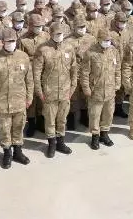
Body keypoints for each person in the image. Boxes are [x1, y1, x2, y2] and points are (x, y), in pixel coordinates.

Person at [0, 28, 33, 169]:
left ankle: (18, 152)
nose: (11, 43)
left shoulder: (23, 57)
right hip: (2, 103)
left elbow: (29, 80)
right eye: (8, 41)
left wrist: (29, 98)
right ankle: (7, 153)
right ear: (2, 42)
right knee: (5, 130)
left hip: (20, 101)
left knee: (18, 127)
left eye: (13, 41)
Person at [33, 22, 77, 158]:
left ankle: (61, 142)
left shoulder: (69, 48)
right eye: (57, 34)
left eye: (61, 34)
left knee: (62, 119)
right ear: (51, 34)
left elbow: (74, 69)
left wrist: (72, 88)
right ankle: (51, 143)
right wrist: (40, 92)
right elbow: (36, 73)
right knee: (50, 120)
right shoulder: (42, 49)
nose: (60, 36)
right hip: (49, 92)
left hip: (65, 92)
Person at [80, 28, 121, 150]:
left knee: (108, 114)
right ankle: (95, 136)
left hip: (110, 90)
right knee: (95, 115)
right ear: (99, 40)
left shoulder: (114, 51)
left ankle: (105, 134)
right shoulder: (90, 53)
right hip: (95, 90)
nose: (107, 42)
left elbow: (117, 70)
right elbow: (84, 73)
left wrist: (117, 84)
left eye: (109, 40)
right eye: (105, 40)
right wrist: (86, 88)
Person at [18, 13, 50, 136]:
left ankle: (41, 122)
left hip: (43, 71)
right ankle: (31, 124)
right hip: (29, 71)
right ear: (30, 26)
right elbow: (20, 57)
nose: (39, 28)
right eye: (36, 26)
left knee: (42, 97)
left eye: (40, 26)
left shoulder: (46, 36)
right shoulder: (23, 39)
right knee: (30, 98)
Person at [67, 15, 97, 129]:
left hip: (87, 73)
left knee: (86, 96)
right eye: (79, 27)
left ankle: (85, 117)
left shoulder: (91, 39)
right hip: (73, 73)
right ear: (74, 27)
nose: (82, 29)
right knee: (73, 96)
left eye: (83, 27)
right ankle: (71, 119)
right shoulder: (67, 40)